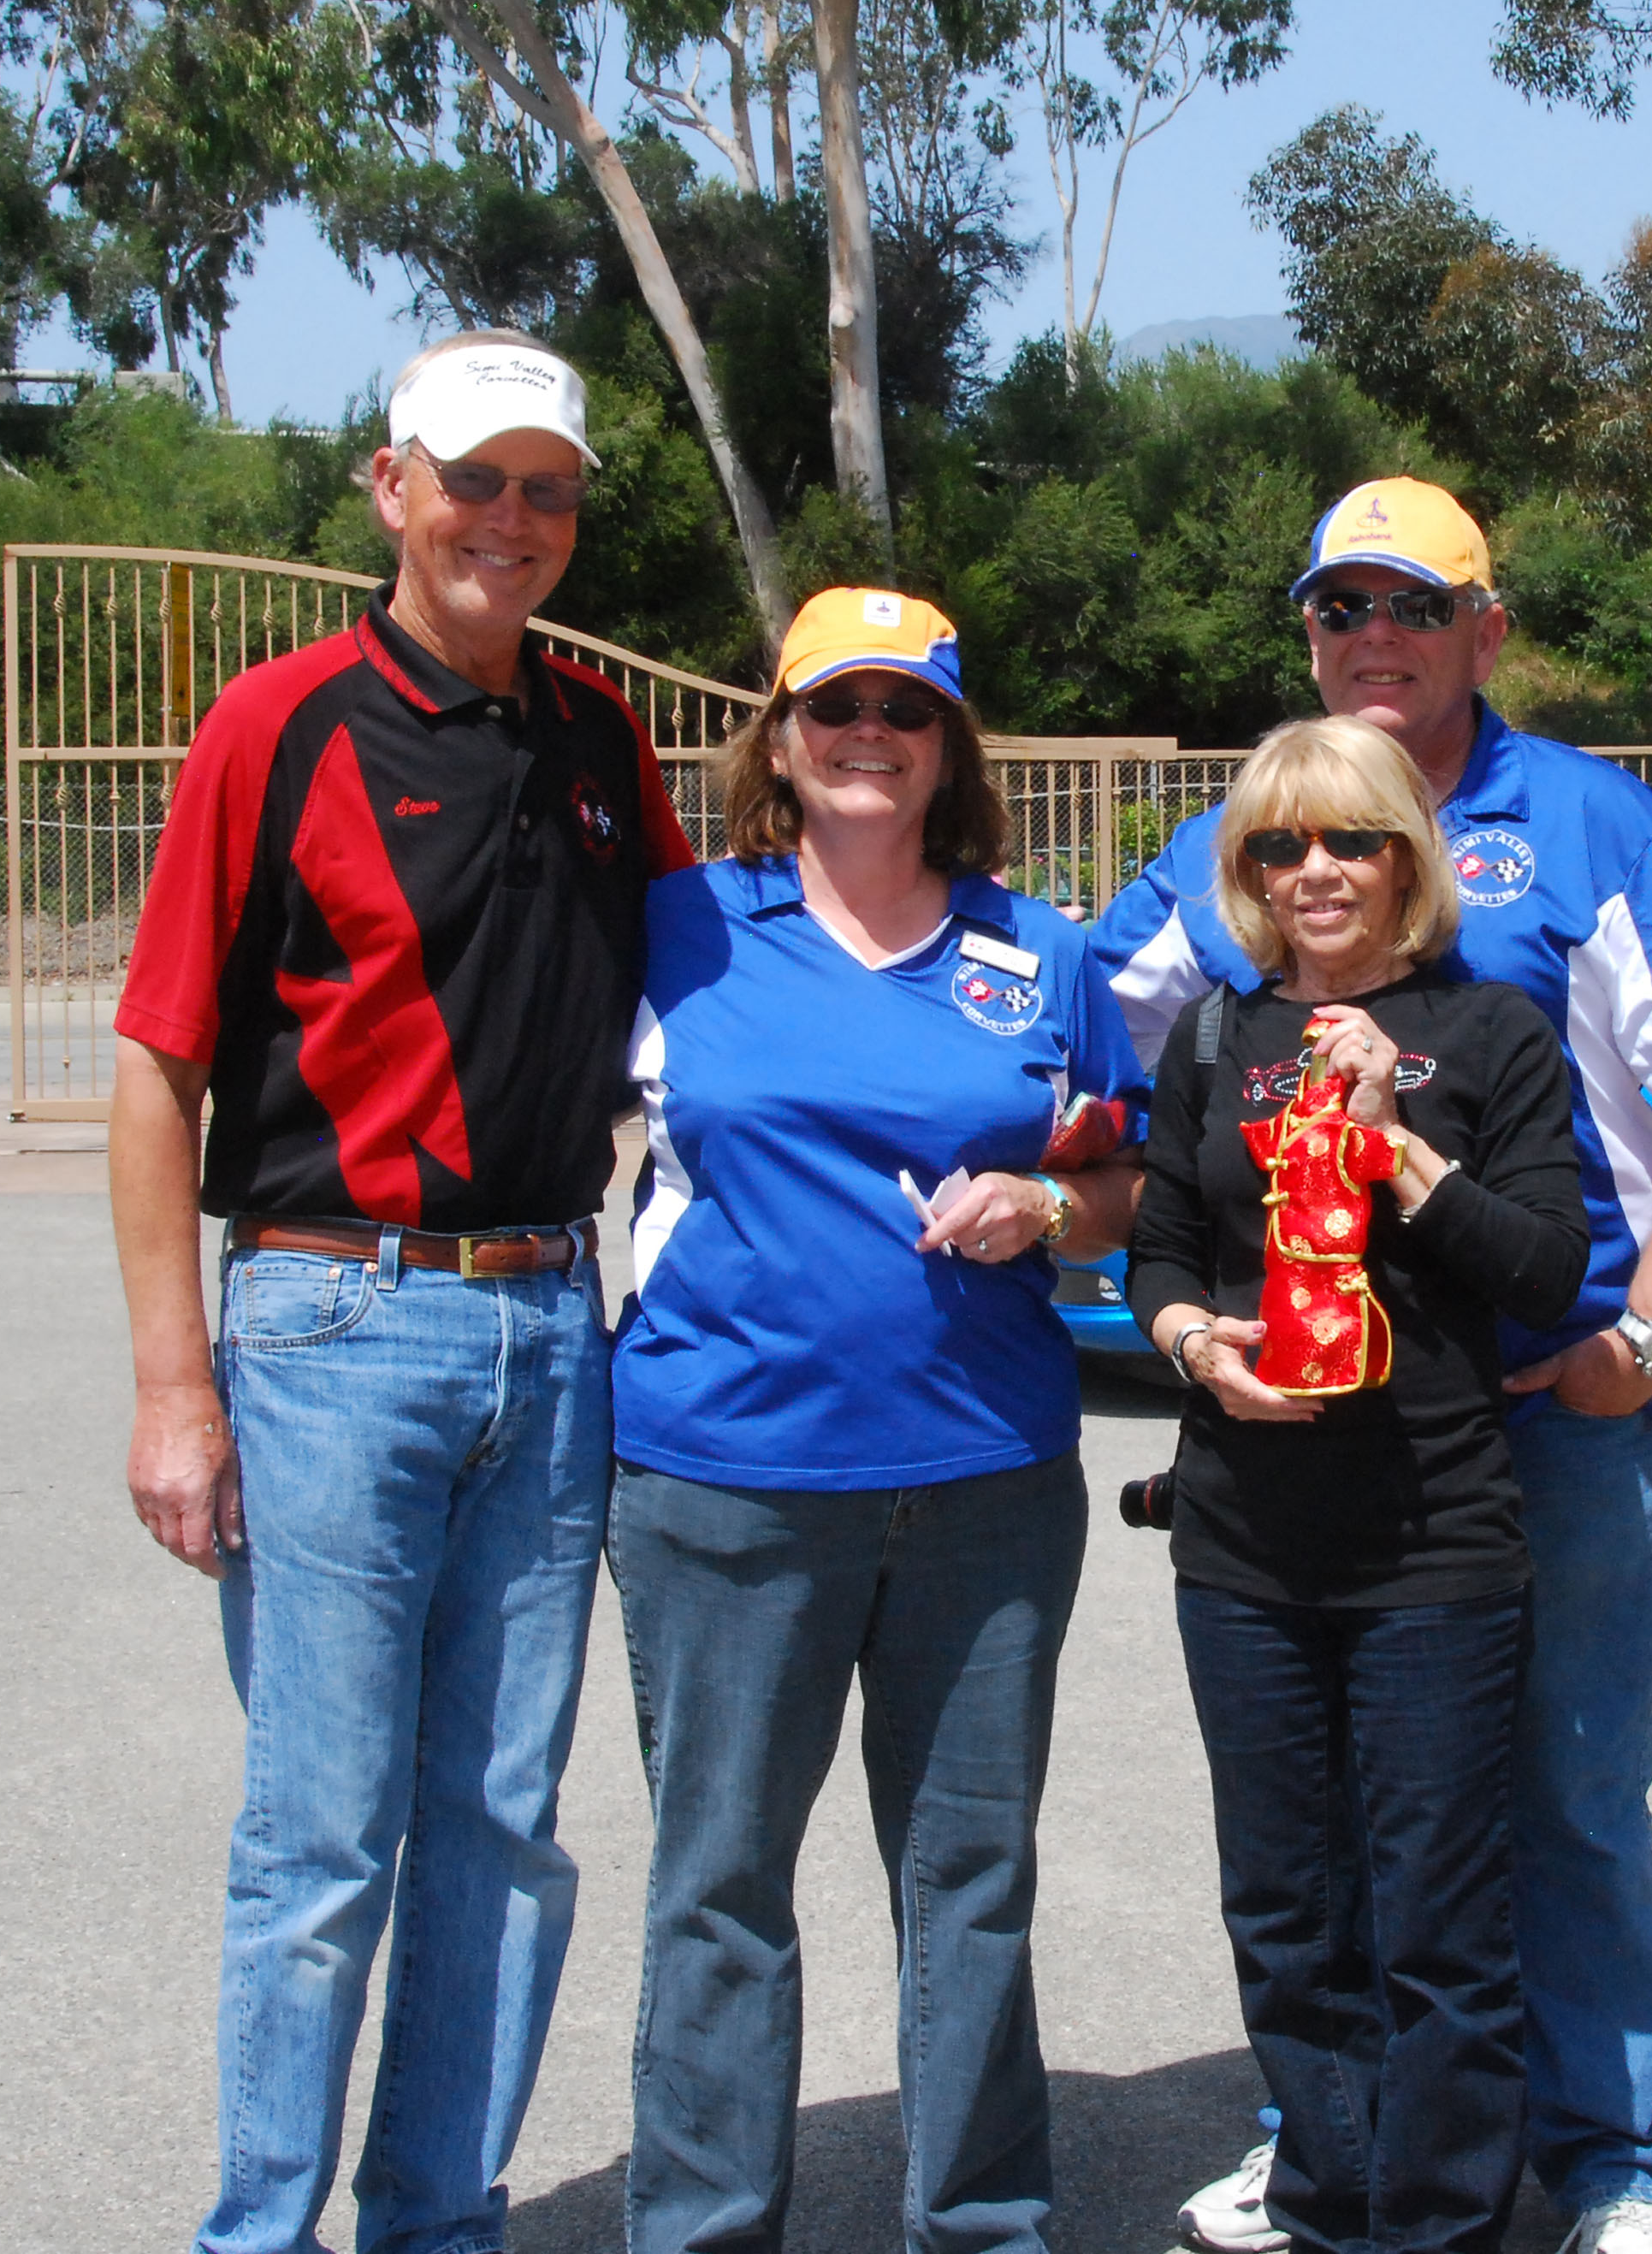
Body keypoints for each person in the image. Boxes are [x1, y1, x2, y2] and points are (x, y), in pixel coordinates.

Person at [1098, 481, 1652, 2254]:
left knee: (1558, 1793)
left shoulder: (1592, 823)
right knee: (1322, 1830)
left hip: (1553, 1405)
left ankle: (1613, 2154)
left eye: (1413, 606)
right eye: (1341, 611)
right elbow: (1103, 1054)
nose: (1372, 639)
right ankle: (1333, 2145)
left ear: (1486, 630)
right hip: (1302, 1434)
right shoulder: (1236, 835)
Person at [109, 328, 692, 2254]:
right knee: (321, 1848)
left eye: (546, 487)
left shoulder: (605, 744)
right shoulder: (274, 728)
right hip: (332, 1324)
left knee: (508, 1846)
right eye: (472, 480)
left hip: (552, 1321)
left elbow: (725, 1018)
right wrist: (172, 1386)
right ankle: (261, 2230)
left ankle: (438, 2224)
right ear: (390, 488)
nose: (508, 521)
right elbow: (157, 1066)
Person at [610, 587, 1149, 2254]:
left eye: (903, 714)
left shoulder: (1039, 954)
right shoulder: (682, 928)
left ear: (948, 751)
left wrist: (1046, 1214)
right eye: (831, 708)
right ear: (778, 738)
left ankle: (981, 2223)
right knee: (719, 1892)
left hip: (985, 1489)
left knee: (970, 1883)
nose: (866, 738)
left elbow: (1120, 1181)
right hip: (727, 1484)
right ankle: (703, 2227)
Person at [1130, 714, 1591, 2254]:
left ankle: (1439, 2225)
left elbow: (1546, 1269)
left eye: (1349, 840)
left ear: (1409, 857)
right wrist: (1198, 1343)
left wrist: (1400, 1149)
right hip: (1244, 1546)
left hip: (1433, 1541)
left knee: (1443, 1932)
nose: (1314, 871)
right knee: (1287, 1917)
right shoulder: (1215, 1036)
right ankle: (1335, 2203)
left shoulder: (1496, 1034)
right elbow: (1161, 1252)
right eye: (1279, 845)